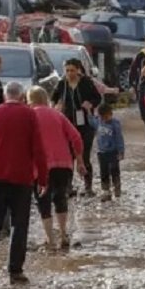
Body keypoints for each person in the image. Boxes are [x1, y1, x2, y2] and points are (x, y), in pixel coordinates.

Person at [0, 82, 48, 286]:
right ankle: (15, 271)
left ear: (5, 97)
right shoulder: (30, 115)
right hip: (22, 179)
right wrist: (43, 178)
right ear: (22, 97)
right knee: (19, 225)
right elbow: (39, 148)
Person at [28, 86, 83, 249]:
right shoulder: (58, 115)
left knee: (43, 201)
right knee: (60, 198)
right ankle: (64, 234)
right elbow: (76, 137)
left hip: (40, 167)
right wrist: (79, 160)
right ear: (46, 99)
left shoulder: (29, 116)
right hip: (64, 164)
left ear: (30, 101)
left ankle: (50, 239)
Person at [52, 58, 102, 195]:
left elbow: (97, 98)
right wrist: (57, 106)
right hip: (67, 123)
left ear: (78, 70)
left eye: (72, 70)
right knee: (68, 156)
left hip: (85, 123)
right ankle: (68, 186)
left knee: (84, 155)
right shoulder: (62, 84)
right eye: (67, 70)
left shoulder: (86, 82)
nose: (69, 73)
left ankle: (88, 186)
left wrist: (90, 104)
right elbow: (53, 98)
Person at [91, 103, 125, 202]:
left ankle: (117, 188)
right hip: (101, 152)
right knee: (103, 172)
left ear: (111, 114)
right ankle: (106, 191)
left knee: (114, 171)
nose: (104, 119)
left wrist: (121, 151)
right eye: (102, 117)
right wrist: (89, 111)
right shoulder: (98, 122)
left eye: (106, 117)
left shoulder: (115, 124)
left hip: (113, 152)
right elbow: (92, 121)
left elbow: (119, 138)